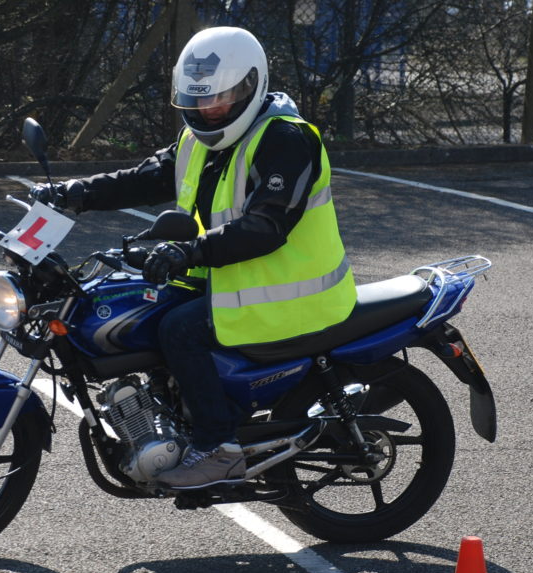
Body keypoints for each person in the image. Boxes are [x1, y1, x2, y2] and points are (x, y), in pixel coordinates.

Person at [31, 26, 357, 489]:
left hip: (291, 292)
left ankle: (218, 447)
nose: (207, 111)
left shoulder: (286, 140)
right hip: (231, 277)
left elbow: (266, 226)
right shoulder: (198, 141)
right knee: (137, 302)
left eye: (219, 100)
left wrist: (188, 252)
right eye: (197, 101)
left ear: (251, 86)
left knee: (179, 329)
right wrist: (74, 193)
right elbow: (142, 179)